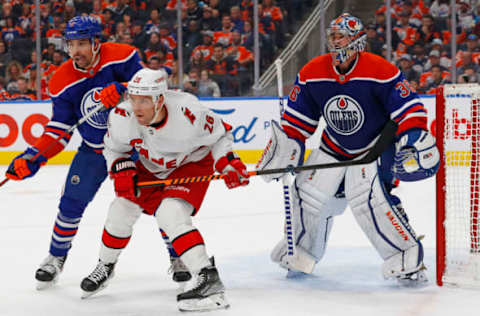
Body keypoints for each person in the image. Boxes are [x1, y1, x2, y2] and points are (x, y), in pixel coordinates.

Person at [257, 13, 440, 285]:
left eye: (340, 35)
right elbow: (297, 121)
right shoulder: (312, 72)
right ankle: (300, 252)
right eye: (332, 35)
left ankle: (406, 257)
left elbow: (409, 108)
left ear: (356, 40)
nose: (334, 41)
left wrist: (413, 137)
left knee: (368, 200)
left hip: (374, 147)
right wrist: (285, 148)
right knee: (307, 192)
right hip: (334, 146)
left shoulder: (380, 70)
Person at [80, 68, 249, 312]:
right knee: (121, 208)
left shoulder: (189, 112)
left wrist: (227, 162)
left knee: (170, 214)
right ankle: (105, 266)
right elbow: (113, 148)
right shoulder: (121, 115)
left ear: (159, 99)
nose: (136, 107)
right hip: (151, 166)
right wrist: (121, 166)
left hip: (190, 164)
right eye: (133, 98)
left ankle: (207, 277)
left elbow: (221, 135)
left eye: (144, 101)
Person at [4, 16, 142, 290]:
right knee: (70, 204)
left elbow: (155, 87)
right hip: (93, 151)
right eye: (71, 45)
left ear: (96, 43)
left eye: (82, 44)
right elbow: (59, 129)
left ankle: (178, 259)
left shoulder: (123, 56)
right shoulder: (61, 80)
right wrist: (33, 157)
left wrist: (125, 90)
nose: (76, 50)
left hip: (134, 149)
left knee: (159, 201)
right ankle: (56, 257)